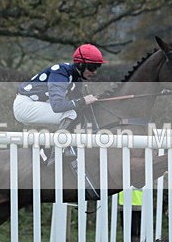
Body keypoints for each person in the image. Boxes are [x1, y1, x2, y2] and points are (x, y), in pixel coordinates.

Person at [13, 44, 106, 200]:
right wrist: (84, 100)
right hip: (24, 106)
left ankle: (60, 148)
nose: (95, 72)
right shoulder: (60, 72)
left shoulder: (76, 77)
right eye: (92, 67)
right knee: (70, 112)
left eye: (97, 67)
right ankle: (54, 152)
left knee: (76, 113)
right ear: (81, 64)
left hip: (37, 104)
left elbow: (82, 107)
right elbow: (58, 106)